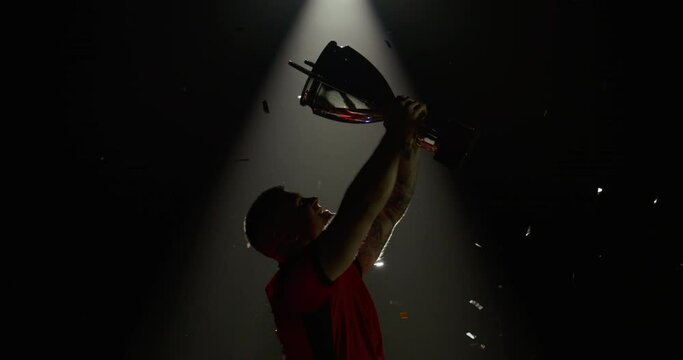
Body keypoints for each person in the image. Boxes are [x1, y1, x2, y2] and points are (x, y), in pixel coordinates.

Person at [244, 95, 428, 359]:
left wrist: (410, 141)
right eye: (299, 204)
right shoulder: (299, 286)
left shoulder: (335, 271)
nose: (313, 199)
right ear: (283, 235)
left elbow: (393, 205)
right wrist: (397, 133)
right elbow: (364, 206)